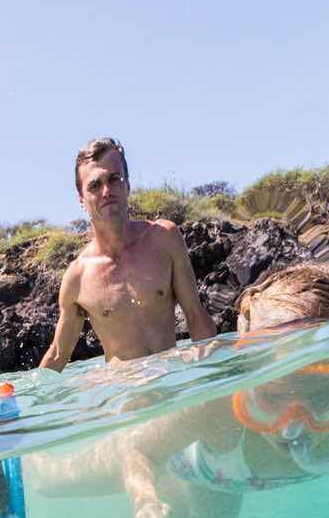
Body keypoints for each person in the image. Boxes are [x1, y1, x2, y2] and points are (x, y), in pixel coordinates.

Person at [30, 260, 329, 518]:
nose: (292, 429)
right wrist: (146, 501)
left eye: (318, 400)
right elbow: (140, 451)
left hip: (220, 474)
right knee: (46, 481)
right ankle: (26, 449)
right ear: (250, 377)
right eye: (272, 398)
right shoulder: (217, 409)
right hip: (162, 444)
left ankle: (177, 488)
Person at [39, 136, 216, 373]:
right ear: (82, 200)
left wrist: (213, 375)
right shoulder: (77, 277)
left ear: (128, 185)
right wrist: (24, 402)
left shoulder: (164, 238)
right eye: (95, 185)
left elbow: (196, 316)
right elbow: (57, 355)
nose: (107, 191)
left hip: (171, 380)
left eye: (114, 179)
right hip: (124, 396)